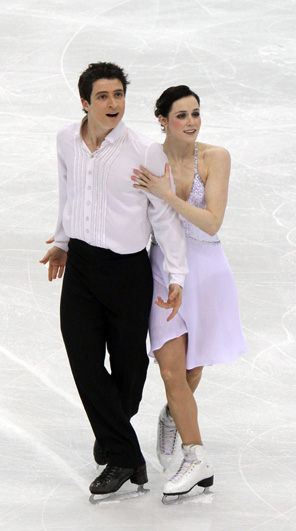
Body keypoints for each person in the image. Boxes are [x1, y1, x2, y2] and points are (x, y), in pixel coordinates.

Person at [39, 63, 188, 496]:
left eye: (118, 95)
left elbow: (164, 215)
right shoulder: (67, 139)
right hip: (82, 267)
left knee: (129, 367)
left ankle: (115, 441)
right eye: (102, 96)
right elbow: (68, 189)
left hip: (127, 271)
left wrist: (176, 274)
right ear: (84, 102)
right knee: (84, 359)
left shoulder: (144, 150)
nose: (112, 104)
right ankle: (125, 456)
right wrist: (63, 241)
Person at [131, 85, 248, 500]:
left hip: (208, 272)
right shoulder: (149, 158)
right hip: (163, 270)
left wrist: (166, 195)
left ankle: (171, 417)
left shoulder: (216, 157)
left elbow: (212, 222)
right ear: (162, 119)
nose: (192, 122)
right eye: (181, 115)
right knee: (169, 369)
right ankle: (197, 457)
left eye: (196, 113)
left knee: (191, 372)